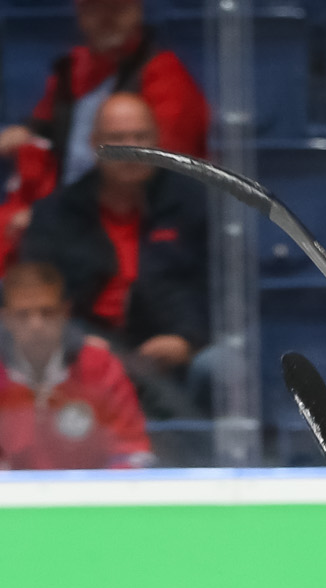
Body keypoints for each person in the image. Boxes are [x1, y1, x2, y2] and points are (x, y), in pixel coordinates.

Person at [17, 93, 207, 418]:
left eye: (140, 138)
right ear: (94, 145)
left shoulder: (195, 206)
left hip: (173, 351)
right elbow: (32, 296)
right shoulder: (56, 214)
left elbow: (225, 290)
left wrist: (187, 340)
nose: (131, 150)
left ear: (157, 140)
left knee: (220, 366)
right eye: (117, 139)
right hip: (83, 353)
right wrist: (76, 340)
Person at [0, 0, 208, 264]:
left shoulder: (166, 78)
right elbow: (44, 121)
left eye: (117, 9)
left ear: (138, 12)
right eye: (94, 9)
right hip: (70, 210)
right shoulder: (73, 67)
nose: (105, 19)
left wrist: (48, 218)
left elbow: (153, 176)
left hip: (131, 225)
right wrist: (25, 131)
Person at [0, 259, 149, 468]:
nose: (36, 325)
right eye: (23, 315)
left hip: (91, 497)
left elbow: (130, 451)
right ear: (6, 318)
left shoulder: (101, 367)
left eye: (47, 312)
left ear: (65, 312)